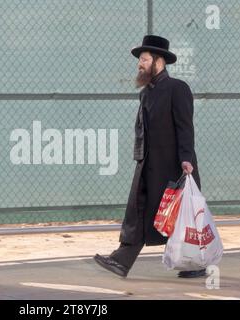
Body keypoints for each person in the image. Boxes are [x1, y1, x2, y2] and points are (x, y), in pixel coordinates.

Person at [94, 35, 205, 278]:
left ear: (159, 61)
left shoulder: (178, 88)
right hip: (147, 165)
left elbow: (185, 127)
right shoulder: (146, 93)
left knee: (171, 216)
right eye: (140, 60)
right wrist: (140, 160)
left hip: (173, 167)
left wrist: (186, 159)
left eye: (144, 59)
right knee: (139, 211)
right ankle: (122, 261)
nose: (139, 64)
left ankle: (195, 263)